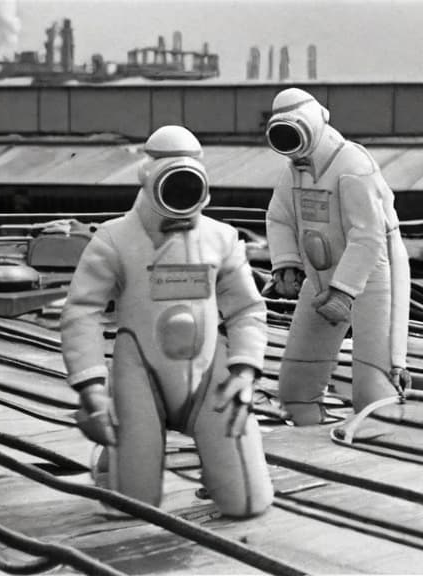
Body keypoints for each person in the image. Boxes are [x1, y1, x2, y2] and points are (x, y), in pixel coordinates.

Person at [60, 125, 273, 517]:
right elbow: (81, 311)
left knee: (247, 504)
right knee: (131, 506)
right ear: (148, 177)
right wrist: (91, 385)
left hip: (211, 375)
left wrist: (244, 371)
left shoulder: (222, 239)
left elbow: (246, 309)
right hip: (140, 373)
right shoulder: (114, 239)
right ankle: (117, 458)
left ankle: (213, 463)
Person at [264, 88, 411, 426]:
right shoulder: (296, 170)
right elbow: (280, 217)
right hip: (321, 277)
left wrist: (345, 290)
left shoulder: (353, 167)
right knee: (296, 390)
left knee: (375, 392)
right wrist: (286, 262)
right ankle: (311, 441)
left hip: (373, 278)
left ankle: (379, 446)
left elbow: (369, 234)